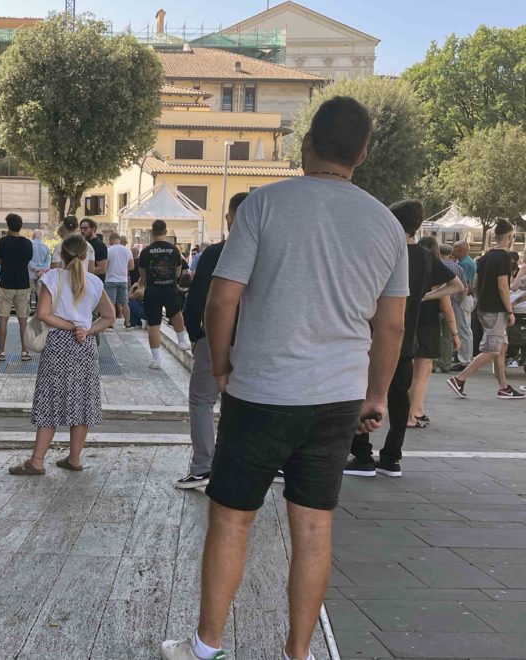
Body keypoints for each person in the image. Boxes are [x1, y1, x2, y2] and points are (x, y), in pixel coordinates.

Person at [161, 96, 409, 660]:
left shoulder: (263, 205)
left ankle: (206, 647)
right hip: (338, 397)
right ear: (363, 154)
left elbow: (222, 299)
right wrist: (376, 395)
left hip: (262, 391)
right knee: (314, 528)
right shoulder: (386, 225)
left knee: (231, 520)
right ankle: (299, 653)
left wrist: (221, 365)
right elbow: (391, 325)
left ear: (306, 145)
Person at [344, 202, 460, 480]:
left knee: (365, 394)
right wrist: (423, 296)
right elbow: (457, 285)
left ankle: (362, 456)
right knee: (399, 400)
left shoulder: (383, 250)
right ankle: (391, 458)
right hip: (407, 338)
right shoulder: (425, 256)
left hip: (374, 336)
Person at [8, 235, 114, 475]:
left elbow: (43, 313)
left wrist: (70, 326)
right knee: (82, 400)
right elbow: (109, 316)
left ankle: (37, 461)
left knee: (50, 399)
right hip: (84, 345)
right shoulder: (94, 282)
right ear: (85, 255)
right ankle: (74, 458)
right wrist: (86, 330)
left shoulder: (52, 277)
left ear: (61, 255)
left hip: (57, 343)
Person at [176, 193, 248, 489]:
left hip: (217, 337)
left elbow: (199, 298)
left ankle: (203, 466)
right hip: (254, 341)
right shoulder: (270, 253)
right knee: (248, 405)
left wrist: (195, 334)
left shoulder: (216, 253)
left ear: (230, 218)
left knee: (201, 401)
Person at [447, 220, 525, 400]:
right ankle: (459, 379)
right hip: (496, 310)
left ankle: (503, 387)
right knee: (491, 349)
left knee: (501, 347)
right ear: (510, 237)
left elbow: (475, 284)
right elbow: (503, 287)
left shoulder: (485, 257)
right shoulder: (504, 257)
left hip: (483, 307)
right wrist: (510, 311)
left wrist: (481, 301)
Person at [408, 236, 460, 429]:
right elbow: (447, 306)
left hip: (408, 320)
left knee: (412, 371)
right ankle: (412, 414)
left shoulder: (409, 262)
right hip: (428, 324)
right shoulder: (433, 268)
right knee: (422, 371)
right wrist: (455, 333)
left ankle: (418, 410)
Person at [138, 220, 191, 370]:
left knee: (154, 325)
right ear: (165, 232)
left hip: (152, 291)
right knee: (176, 313)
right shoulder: (174, 250)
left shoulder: (146, 251)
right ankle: (182, 341)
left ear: (152, 232)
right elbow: (178, 273)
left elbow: (142, 273)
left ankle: (156, 360)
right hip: (170, 289)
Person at [0, 213, 34, 361]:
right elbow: (28, 261)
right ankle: (24, 351)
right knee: (23, 320)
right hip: (23, 284)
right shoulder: (27, 243)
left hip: (6, 284)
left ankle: (1, 351)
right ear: (21, 226)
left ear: (8, 226)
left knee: (3, 318)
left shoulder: (3, 241)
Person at [450, 241, 477, 369]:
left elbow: (464, 285)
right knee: (466, 329)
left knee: (463, 330)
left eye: (455, 248)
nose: (452, 251)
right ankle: (466, 356)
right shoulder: (469, 262)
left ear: (461, 250)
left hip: (463, 299)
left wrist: (459, 301)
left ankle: (464, 360)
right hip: (467, 299)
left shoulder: (464, 264)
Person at [105, 233, 134, 330]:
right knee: (124, 303)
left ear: (111, 240)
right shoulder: (127, 250)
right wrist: (123, 268)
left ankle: (110, 324)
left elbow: (106, 266)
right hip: (123, 279)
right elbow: (131, 266)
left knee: (111, 303)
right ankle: (128, 323)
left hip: (110, 279)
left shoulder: (108, 250)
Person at [29, 229, 52, 294]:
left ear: (33, 236)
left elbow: (27, 259)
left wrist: (35, 268)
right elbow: (48, 261)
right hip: (42, 274)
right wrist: (41, 270)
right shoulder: (46, 247)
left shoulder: (29, 245)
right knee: (40, 294)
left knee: (29, 295)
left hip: (30, 273)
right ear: (42, 236)